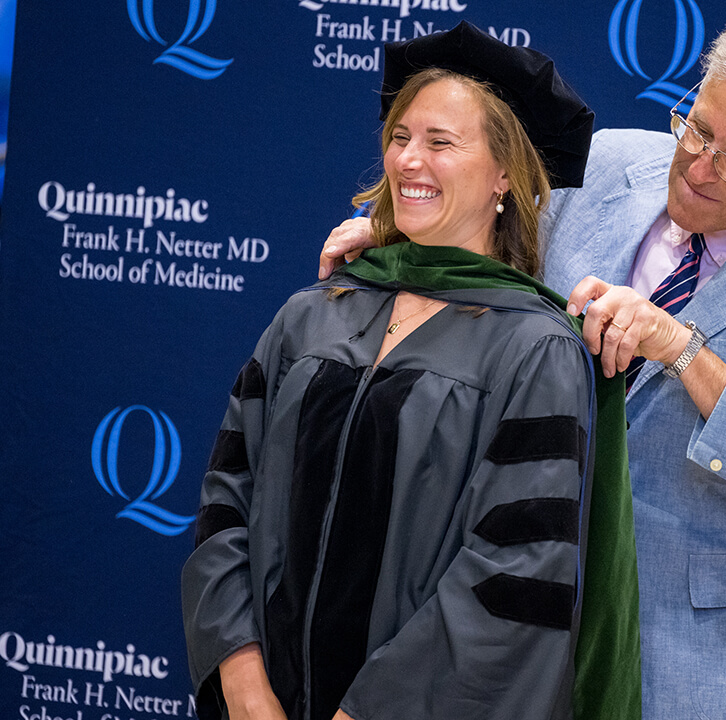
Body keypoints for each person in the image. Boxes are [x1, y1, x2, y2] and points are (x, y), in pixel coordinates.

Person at [321, 11, 726, 720]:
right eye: (696, 127)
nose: (698, 165)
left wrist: (685, 352)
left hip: (690, 656)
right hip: (510, 620)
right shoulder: (601, 167)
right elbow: (492, 270)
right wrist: (403, 249)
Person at [182, 23, 640, 720]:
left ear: (505, 176)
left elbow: (515, 573)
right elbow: (225, 505)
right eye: (401, 138)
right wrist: (242, 681)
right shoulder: (311, 317)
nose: (409, 161)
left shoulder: (533, 347)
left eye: (441, 142)